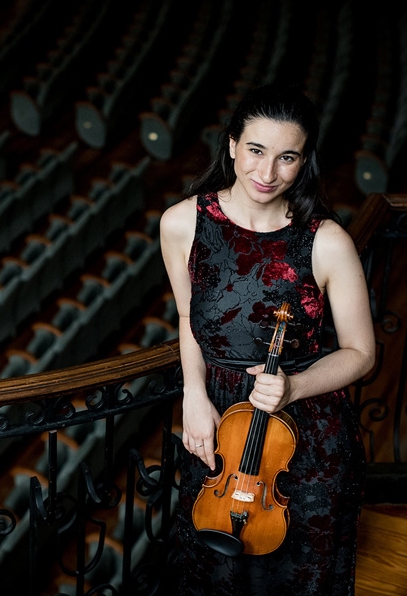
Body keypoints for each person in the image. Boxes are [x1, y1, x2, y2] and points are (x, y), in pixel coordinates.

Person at [159, 83, 375, 595]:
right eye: (255, 150)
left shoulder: (326, 241)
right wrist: (193, 393)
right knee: (217, 573)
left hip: (304, 433)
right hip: (218, 425)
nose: (267, 173)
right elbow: (189, 317)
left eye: (287, 158)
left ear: (303, 163)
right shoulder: (181, 224)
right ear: (231, 144)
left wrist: (294, 387)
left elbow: (362, 353)